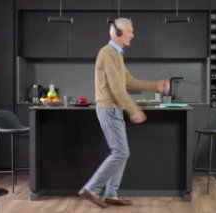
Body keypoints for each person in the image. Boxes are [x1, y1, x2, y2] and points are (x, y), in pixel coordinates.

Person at [78, 18, 170, 208]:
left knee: (121, 153)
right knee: (120, 152)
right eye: (130, 31)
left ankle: (111, 194)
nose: (132, 35)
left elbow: (130, 81)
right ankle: (91, 189)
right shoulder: (107, 53)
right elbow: (117, 88)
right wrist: (133, 109)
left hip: (114, 109)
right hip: (109, 108)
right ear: (118, 33)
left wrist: (155, 86)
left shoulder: (116, 55)